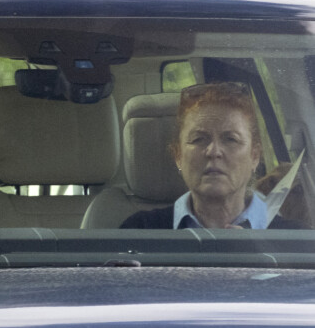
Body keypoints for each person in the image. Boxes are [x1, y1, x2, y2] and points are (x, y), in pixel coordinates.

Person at [120, 82, 300, 229]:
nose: (213, 151)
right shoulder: (139, 232)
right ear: (178, 156)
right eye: (199, 139)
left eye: (230, 139)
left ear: (254, 156)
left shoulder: (297, 242)